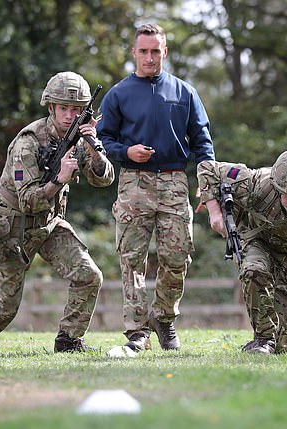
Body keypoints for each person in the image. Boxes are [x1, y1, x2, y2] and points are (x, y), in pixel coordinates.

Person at [0, 71, 115, 356]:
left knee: (89, 275)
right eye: (64, 108)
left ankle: (68, 341)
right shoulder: (27, 142)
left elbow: (104, 179)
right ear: (51, 107)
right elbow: (27, 200)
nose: (69, 115)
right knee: (6, 306)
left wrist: (95, 147)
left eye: (76, 110)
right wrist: (59, 179)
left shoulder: (80, 138)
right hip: (13, 227)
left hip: (48, 224)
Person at [96, 23, 215, 351]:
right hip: (134, 182)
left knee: (177, 257)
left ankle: (163, 318)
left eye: (155, 51)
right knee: (131, 258)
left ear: (165, 52)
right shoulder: (118, 94)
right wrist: (126, 152)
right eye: (144, 51)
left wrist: (207, 185)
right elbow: (101, 140)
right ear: (134, 53)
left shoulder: (184, 92)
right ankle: (136, 331)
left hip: (175, 181)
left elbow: (203, 142)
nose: (150, 57)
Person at [196, 148, 287, 357]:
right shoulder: (256, 183)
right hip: (258, 242)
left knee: (283, 345)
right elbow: (207, 168)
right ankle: (262, 340)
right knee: (254, 270)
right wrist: (214, 210)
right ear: (277, 186)